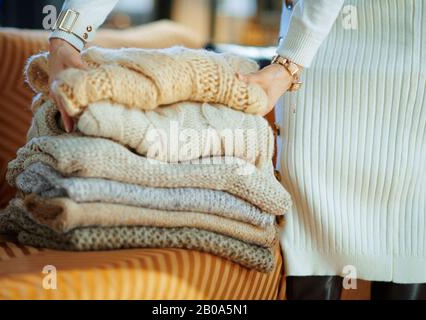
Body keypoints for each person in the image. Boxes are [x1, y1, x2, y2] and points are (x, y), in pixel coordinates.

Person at [49, 0, 426, 300]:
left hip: (401, 47)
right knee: (312, 234)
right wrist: (66, 36)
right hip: (316, 61)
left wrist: (287, 65)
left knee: (408, 239)